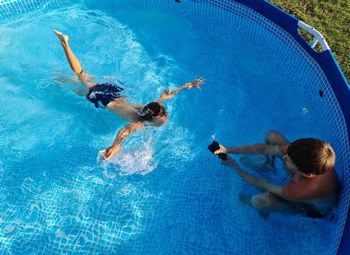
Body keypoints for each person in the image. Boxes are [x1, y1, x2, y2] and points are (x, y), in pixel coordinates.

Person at [53, 30, 204, 161]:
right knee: (81, 74)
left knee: (84, 85)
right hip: (104, 99)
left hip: (113, 93)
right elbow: (124, 132)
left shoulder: (152, 108)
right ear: (151, 120)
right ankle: (65, 43)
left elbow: (165, 97)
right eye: (163, 117)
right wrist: (115, 145)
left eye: (164, 115)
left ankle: (63, 79)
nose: (166, 115)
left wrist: (188, 85)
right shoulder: (138, 122)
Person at [210, 131, 340, 218]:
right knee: (273, 136)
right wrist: (228, 149)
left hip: (310, 207)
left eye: (290, 160)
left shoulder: (296, 191)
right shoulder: (311, 155)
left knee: (259, 201)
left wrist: (233, 165)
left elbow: (261, 184)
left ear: (308, 174)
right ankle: (267, 165)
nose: (285, 158)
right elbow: (264, 148)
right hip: (303, 177)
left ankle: (261, 211)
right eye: (288, 154)